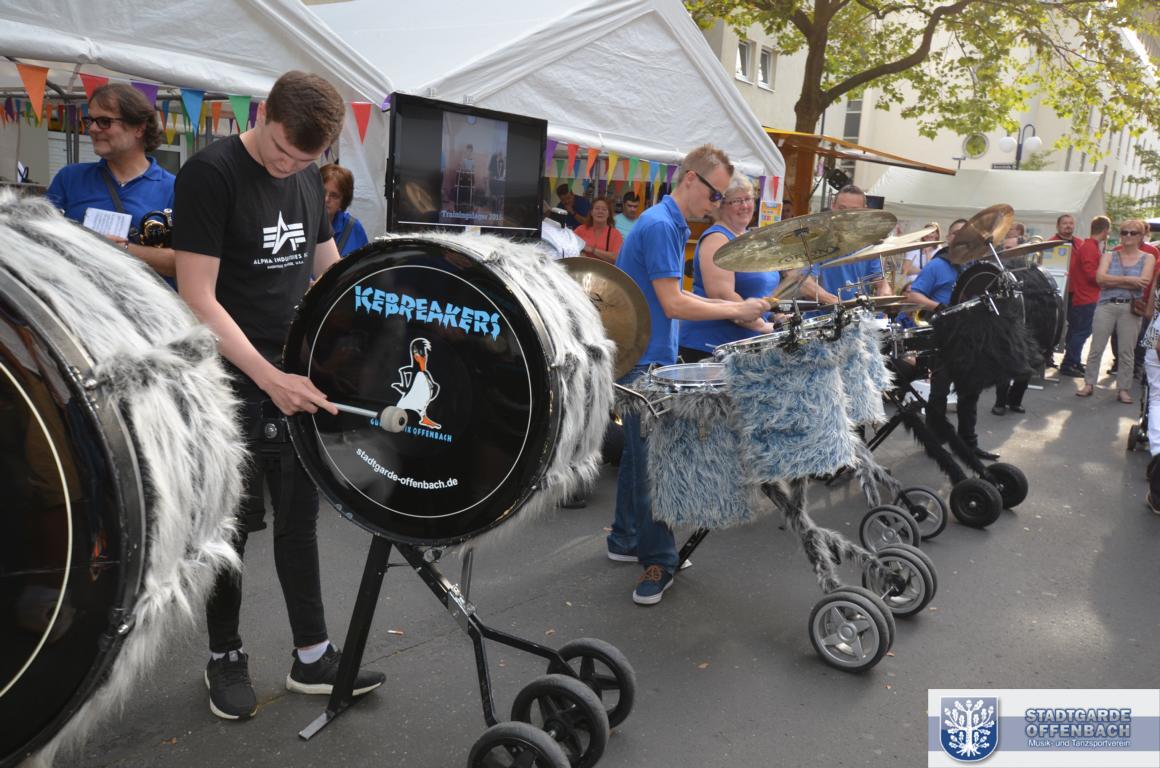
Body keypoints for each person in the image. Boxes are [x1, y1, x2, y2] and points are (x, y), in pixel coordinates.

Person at [173, 71, 385, 721]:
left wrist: (378, 314)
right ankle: (224, 654)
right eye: (281, 152)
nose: (288, 167)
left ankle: (312, 654)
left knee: (299, 519)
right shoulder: (210, 175)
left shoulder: (306, 178)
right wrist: (269, 377)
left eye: (303, 159)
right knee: (230, 528)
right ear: (263, 113)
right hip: (230, 379)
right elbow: (197, 297)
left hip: (293, 374)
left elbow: (329, 268)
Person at [608, 144, 769, 606]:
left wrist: (736, 307)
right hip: (643, 358)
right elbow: (674, 303)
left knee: (638, 457)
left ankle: (623, 538)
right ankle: (659, 560)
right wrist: (735, 308)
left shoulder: (672, 222)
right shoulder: (661, 225)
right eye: (716, 194)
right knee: (652, 464)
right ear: (692, 179)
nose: (717, 205)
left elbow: (677, 296)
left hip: (647, 353)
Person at [45, 83, 177, 285]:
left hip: (140, 303)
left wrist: (122, 250)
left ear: (139, 128)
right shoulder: (69, 178)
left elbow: (185, 263)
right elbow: (41, 241)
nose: (92, 129)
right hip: (75, 299)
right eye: (90, 120)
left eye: (104, 121)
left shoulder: (173, 188)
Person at [904, 234, 999, 459]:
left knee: (970, 392)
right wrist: (938, 306)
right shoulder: (938, 265)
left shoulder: (974, 266)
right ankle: (934, 442)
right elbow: (913, 294)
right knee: (940, 392)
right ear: (950, 238)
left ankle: (968, 443)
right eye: (958, 233)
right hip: (944, 336)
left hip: (971, 336)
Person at [679, 170, 779, 360]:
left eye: (748, 199)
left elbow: (762, 293)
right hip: (712, 347)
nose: (745, 206)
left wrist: (775, 316)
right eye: (737, 201)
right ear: (721, 206)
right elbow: (722, 295)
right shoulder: (717, 239)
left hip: (745, 346)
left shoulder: (748, 237)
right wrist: (762, 326)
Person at [1077, 219, 1155, 403]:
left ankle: (1123, 388)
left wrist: (1112, 280)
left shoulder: (1148, 257)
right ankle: (1089, 383)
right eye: (1124, 232)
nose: (1128, 236)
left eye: (1133, 233)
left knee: (1127, 351)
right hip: (1106, 305)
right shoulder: (1109, 255)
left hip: (1130, 308)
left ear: (1141, 236)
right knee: (1096, 347)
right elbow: (1100, 279)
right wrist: (1130, 280)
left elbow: (1143, 282)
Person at [794, 185, 891, 303]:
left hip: (859, 311)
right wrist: (837, 302)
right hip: (827, 312)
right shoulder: (817, 241)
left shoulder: (870, 243)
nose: (847, 215)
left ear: (864, 211)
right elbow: (805, 283)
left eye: (854, 210)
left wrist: (885, 291)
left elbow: (880, 281)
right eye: (842, 208)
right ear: (833, 206)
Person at [1060, 216, 1109, 377]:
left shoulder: (1088, 246)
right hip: (1086, 297)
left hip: (1085, 296)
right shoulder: (1089, 247)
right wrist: (1107, 280)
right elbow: (1090, 274)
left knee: (1079, 331)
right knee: (1081, 331)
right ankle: (1069, 363)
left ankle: (1073, 361)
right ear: (1105, 231)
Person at [992, 232, 1031, 415]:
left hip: (1028, 323)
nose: (1007, 252)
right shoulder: (997, 272)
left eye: (1011, 248)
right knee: (1005, 366)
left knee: (1027, 365)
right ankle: (1000, 402)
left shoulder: (1031, 272)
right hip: (1005, 324)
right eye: (1005, 249)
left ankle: (1015, 400)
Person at [320, 164, 368, 257]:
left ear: (343, 202)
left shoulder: (353, 228)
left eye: (334, 195)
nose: (326, 199)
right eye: (322, 192)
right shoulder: (298, 224)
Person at [574, 197, 623, 264]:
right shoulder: (580, 229)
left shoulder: (615, 234)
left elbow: (617, 258)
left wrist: (592, 250)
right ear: (591, 212)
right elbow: (569, 247)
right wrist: (580, 253)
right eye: (597, 208)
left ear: (609, 214)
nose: (600, 211)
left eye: (604, 209)